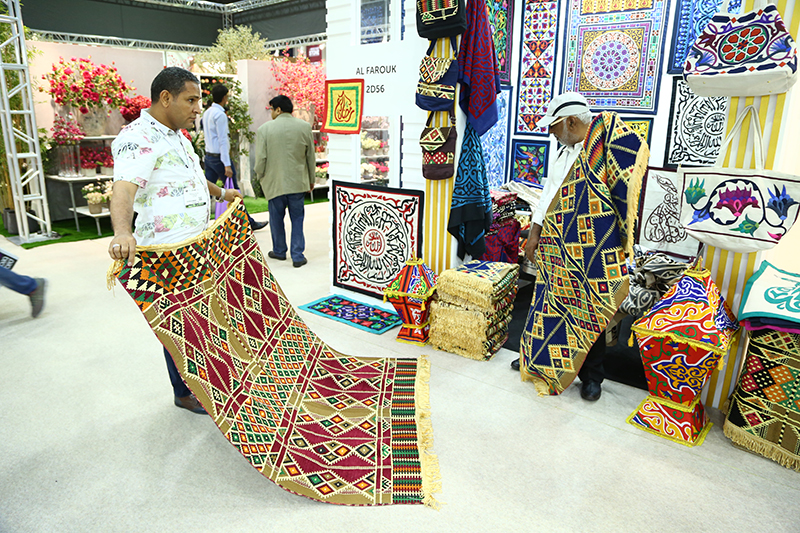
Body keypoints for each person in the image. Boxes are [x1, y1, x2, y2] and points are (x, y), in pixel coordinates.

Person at [107, 67, 243, 414]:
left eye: (198, 100)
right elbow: (123, 189)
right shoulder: (137, 137)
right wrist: (122, 231)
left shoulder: (178, 136)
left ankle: (207, 380)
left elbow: (193, 178)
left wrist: (221, 193)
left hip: (195, 244)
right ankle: (183, 392)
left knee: (202, 318)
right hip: (166, 252)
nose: (198, 108)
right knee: (178, 324)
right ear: (165, 98)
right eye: (191, 100)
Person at [512, 92, 647, 402]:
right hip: (556, 245)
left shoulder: (600, 153)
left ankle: (592, 376)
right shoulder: (563, 153)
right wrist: (534, 233)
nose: (551, 133)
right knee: (548, 302)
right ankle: (539, 360)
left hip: (590, 248)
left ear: (571, 122)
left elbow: (623, 187)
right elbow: (547, 195)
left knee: (588, 307)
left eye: (554, 126)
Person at [254, 95, 316, 268]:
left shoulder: (264, 129)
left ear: (278, 109)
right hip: (297, 182)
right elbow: (310, 157)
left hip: (274, 182)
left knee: (276, 218)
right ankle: (297, 255)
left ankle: (279, 251)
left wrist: (260, 176)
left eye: (272, 109)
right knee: (297, 219)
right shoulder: (304, 127)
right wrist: (311, 179)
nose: (271, 113)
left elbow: (261, 159)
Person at [201, 83, 267, 231]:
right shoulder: (220, 115)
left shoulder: (207, 113)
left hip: (209, 157)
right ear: (224, 97)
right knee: (234, 192)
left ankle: (203, 223)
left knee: (205, 190)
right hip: (220, 158)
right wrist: (227, 164)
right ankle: (248, 222)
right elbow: (223, 140)